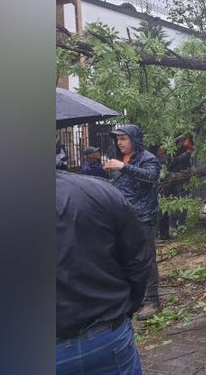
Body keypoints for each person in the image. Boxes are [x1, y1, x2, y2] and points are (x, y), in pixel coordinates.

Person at [56, 143, 151, 374]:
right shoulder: (99, 190)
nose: (120, 142)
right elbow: (138, 260)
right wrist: (126, 309)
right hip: (106, 334)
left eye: (124, 138)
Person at [104, 124, 162, 319]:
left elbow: (151, 178)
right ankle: (133, 298)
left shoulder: (148, 159)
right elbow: (122, 186)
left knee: (146, 258)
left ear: (134, 139)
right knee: (124, 257)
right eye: (117, 139)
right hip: (123, 217)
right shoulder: (121, 159)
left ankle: (152, 301)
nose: (119, 143)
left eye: (123, 138)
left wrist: (124, 167)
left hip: (143, 217)